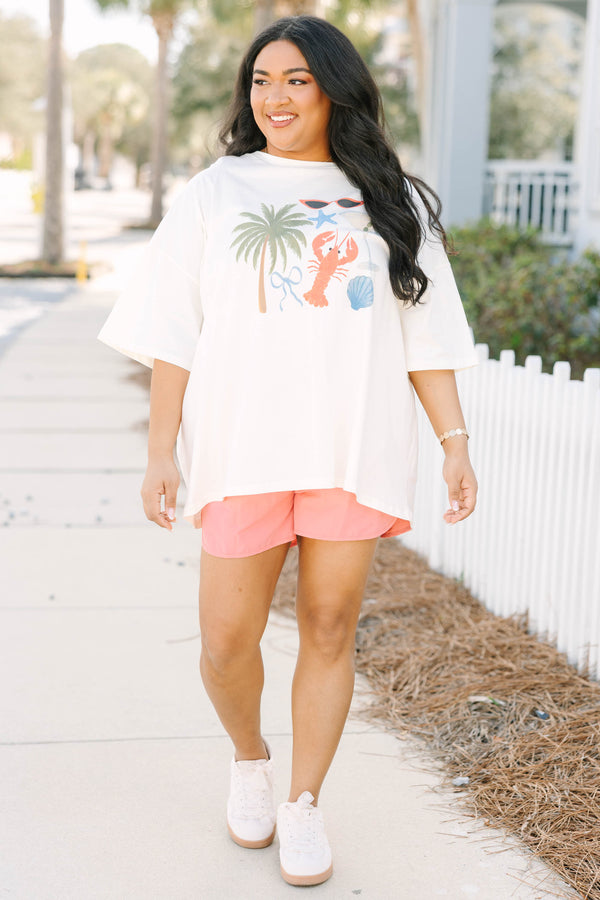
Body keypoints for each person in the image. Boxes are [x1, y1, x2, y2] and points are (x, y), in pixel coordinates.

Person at [98, 14, 478, 887]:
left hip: (351, 446)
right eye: (261, 80)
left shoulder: (389, 199)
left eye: (296, 80)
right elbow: (172, 331)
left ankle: (304, 804)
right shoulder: (215, 192)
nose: (274, 96)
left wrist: (455, 443)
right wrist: (162, 451)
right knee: (226, 641)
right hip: (242, 448)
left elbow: (425, 336)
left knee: (330, 628)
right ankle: (250, 759)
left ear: (334, 89)